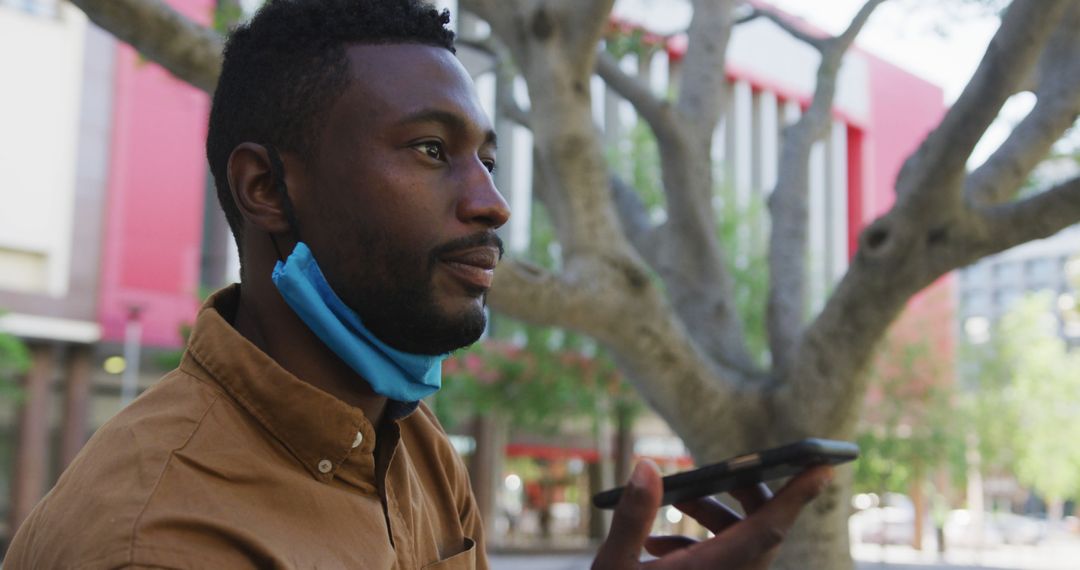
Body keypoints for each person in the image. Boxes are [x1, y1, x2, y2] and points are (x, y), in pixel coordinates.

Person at [4, 1, 832, 568]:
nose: (493, 203)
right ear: (266, 189)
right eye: (432, 150)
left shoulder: (415, 449)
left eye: (488, 160)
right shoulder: (159, 538)